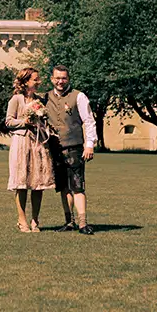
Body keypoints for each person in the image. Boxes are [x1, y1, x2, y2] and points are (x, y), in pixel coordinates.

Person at [44, 65, 98, 235]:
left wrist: (89, 144)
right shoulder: (45, 98)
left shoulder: (79, 96)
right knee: (63, 187)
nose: (60, 81)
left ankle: (83, 223)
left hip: (74, 147)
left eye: (64, 78)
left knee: (77, 186)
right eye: (57, 78)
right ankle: (69, 222)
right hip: (55, 148)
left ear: (68, 79)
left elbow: (89, 121)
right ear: (52, 79)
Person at [5, 67, 55, 232]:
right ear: (26, 82)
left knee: (37, 182)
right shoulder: (16, 99)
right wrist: (24, 121)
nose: (38, 81)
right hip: (21, 142)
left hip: (37, 142)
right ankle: (22, 219)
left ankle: (35, 220)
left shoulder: (40, 100)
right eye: (35, 79)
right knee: (21, 182)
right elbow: (8, 122)